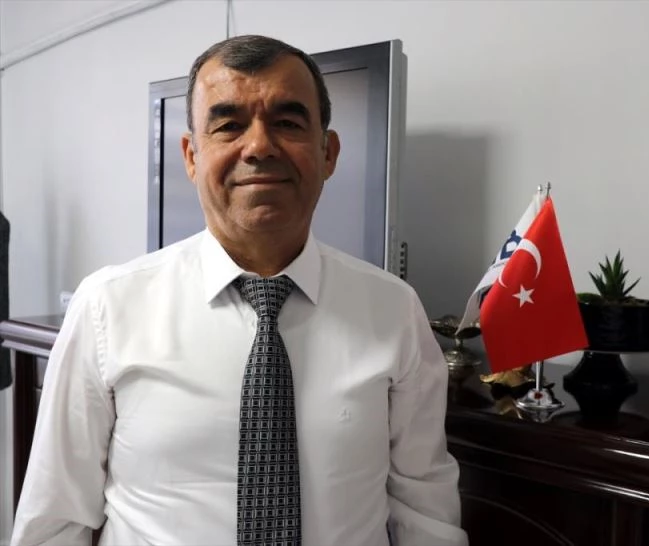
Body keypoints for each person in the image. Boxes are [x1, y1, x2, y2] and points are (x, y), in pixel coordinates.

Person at [11, 35, 467, 546]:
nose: (259, 147)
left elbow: (424, 511)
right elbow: (54, 522)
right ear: (191, 156)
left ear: (328, 152)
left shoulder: (394, 310)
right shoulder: (107, 308)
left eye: (288, 123)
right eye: (228, 125)